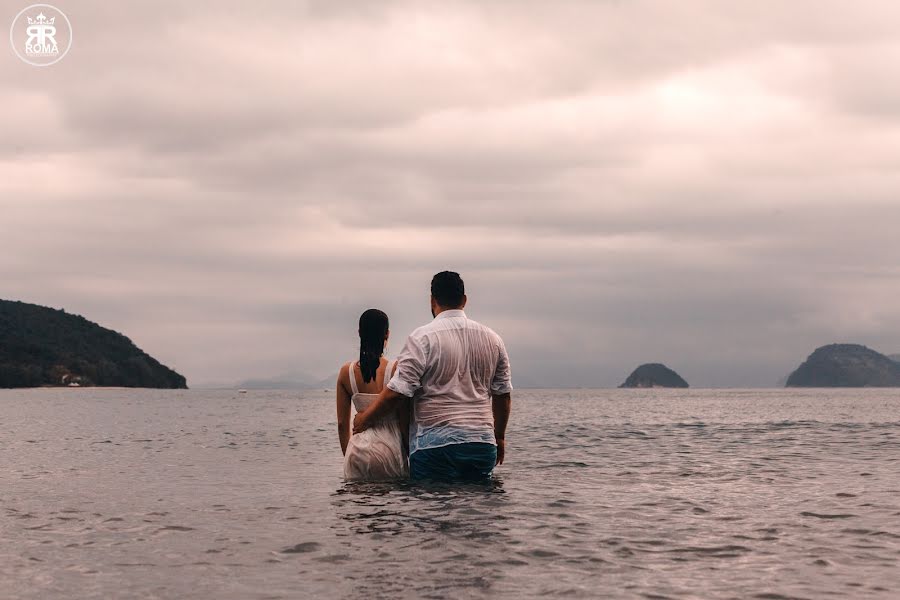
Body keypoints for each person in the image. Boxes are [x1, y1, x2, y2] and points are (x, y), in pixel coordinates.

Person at [353, 271, 512, 482]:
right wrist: (499, 437)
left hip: (434, 448)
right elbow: (503, 396)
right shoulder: (494, 339)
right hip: (481, 444)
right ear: (464, 300)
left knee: (433, 512)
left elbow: (397, 393)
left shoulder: (422, 338)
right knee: (478, 511)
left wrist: (365, 418)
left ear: (432, 300)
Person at [336, 308, 408, 480]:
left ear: (360, 333)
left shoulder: (347, 373)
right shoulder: (395, 370)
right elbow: (405, 422)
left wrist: (349, 455)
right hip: (390, 450)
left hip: (357, 450)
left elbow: (341, 424)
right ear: (387, 334)